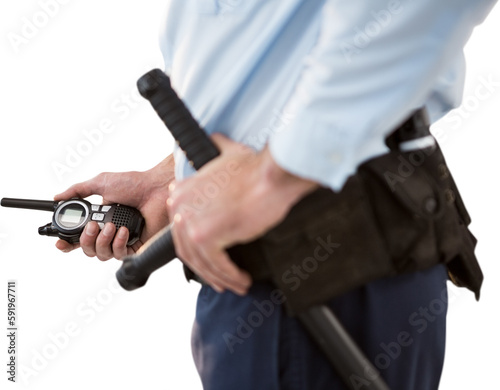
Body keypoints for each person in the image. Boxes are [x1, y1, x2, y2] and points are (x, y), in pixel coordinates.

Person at [55, 1, 497, 388]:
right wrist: (175, 178)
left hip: (321, 260)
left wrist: (276, 178)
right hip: (266, 263)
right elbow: (268, 66)